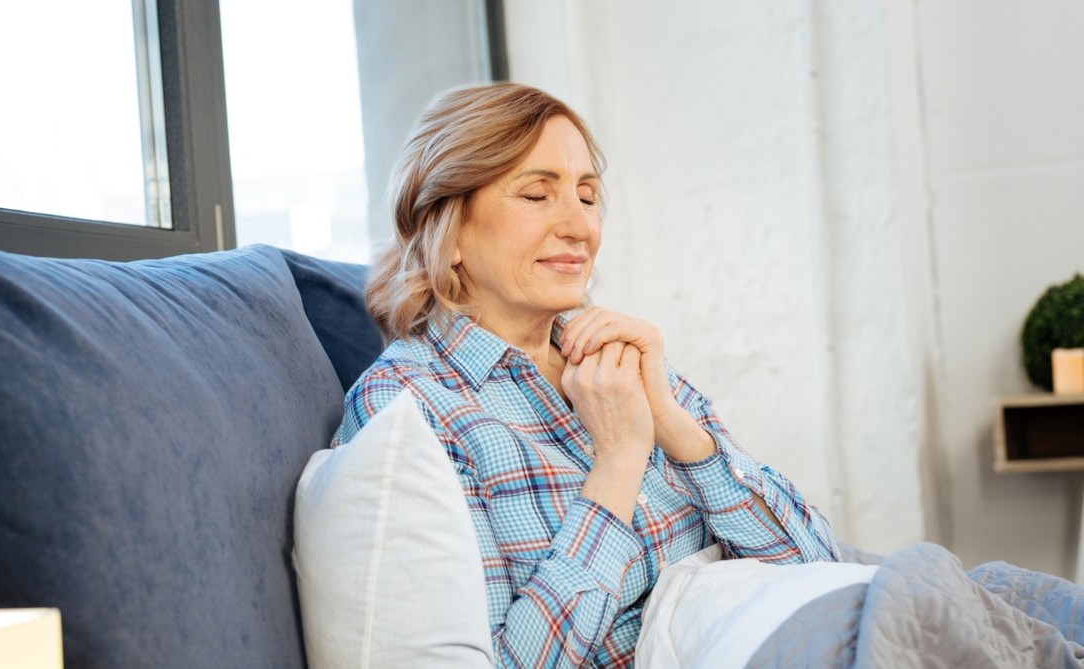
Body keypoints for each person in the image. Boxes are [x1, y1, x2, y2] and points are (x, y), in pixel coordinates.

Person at [331, 82, 839, 667]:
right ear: (447, 232)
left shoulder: (616, 356)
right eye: (536, 195)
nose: (580, 227)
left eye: (588, 195)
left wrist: (675, 426)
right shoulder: (409, 408)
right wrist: (619, 461)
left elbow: (816, 563)